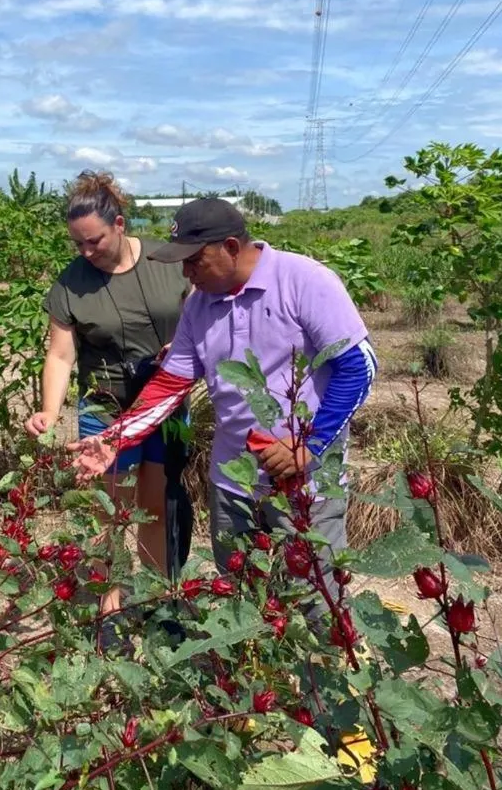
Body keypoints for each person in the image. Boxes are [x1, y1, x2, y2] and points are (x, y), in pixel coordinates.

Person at [69, 197, 378, 601]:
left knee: (315, 606)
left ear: (231, 247)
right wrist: (114, 440)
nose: (187, 274)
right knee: (243, 605)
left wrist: (311, 445)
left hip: (304, 487)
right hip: (232, 485)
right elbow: (170, 385)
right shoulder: (200, 305)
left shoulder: (304, 280)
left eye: (194, 261)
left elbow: (359, 367)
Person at [25, 171, 189, 616]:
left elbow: (202, 317)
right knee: (106, 511)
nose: (86, 252)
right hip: (105, 409)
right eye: (77, 244)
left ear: (119, 224)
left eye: (94, 241)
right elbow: (61, 355)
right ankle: (108, 607)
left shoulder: (166, 261)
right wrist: (49, 411)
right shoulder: (71, 282)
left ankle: (158, 599)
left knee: (155, 504)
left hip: (166, 404)